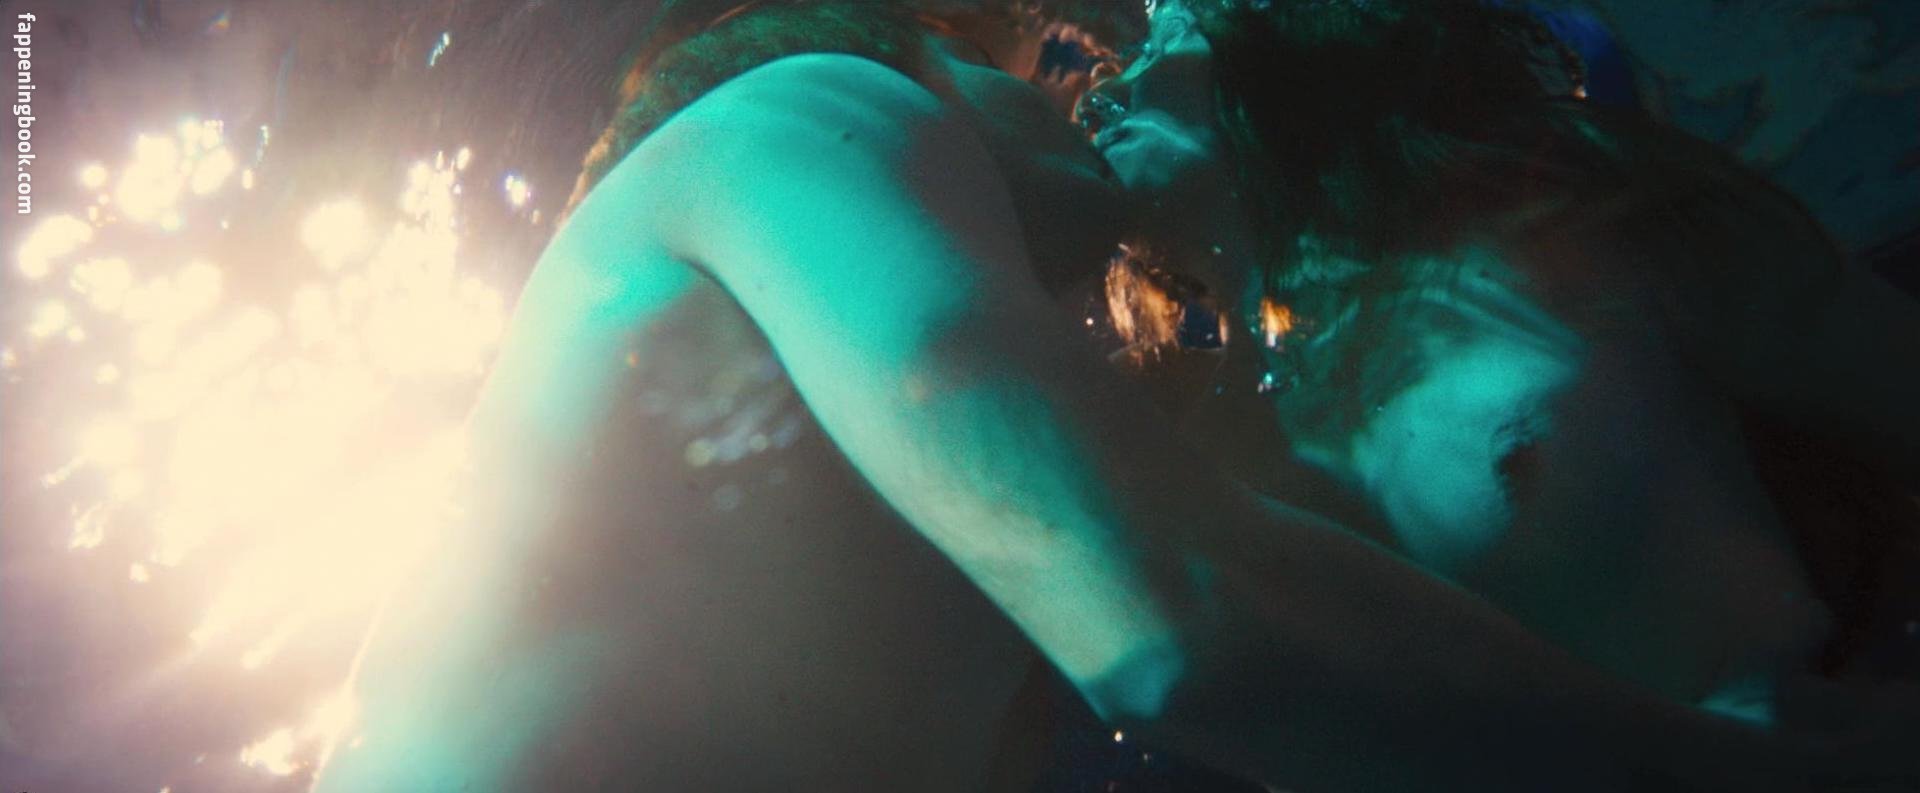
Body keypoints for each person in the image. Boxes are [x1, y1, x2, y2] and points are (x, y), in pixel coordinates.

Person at [317, 1, 1913, 791]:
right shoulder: (814, 109)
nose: (1086, 82)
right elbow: (1183, 630)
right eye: (1049, 65)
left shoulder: (926, 521)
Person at [1082, 0, 1920, 751]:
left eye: (1152, 47)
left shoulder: (1559, 214)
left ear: (1278, 49)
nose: (1098, 96)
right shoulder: (1187, 432)